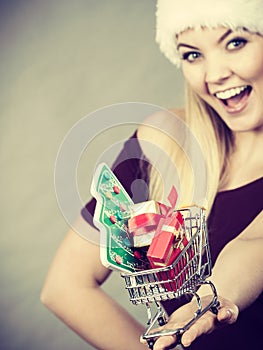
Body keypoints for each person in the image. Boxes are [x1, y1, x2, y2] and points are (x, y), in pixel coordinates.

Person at [41, 0, 263, 349]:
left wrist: (213, 297)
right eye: (192, 54)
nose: (214, 74)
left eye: (235, 42)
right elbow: (65, 285)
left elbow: (254, 243)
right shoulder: (163, 140)